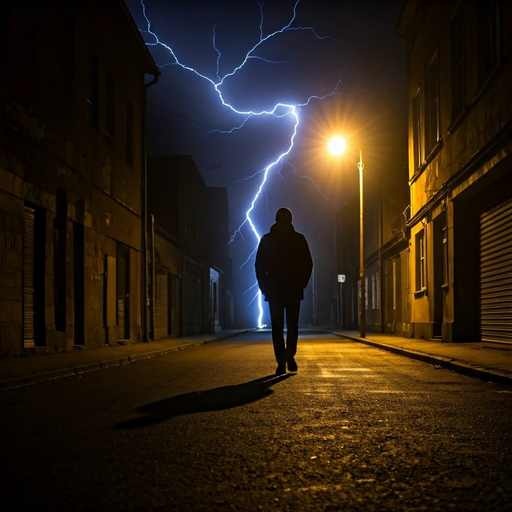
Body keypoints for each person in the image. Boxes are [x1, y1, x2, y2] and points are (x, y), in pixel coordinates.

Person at [255, 207, 313, 374]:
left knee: (277, 327)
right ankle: (289, 356)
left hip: (274, 291)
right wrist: (301, 284)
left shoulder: (267, 240)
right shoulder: (299, 239)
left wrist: (264, 287)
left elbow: (259, 267)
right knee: (292, 325)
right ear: (291, 220)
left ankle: (282, 360)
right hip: (293, 290)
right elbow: (308, 265)